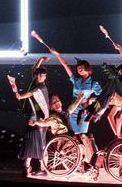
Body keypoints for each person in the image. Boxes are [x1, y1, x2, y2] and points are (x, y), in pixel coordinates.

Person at [42, 36, 101, 172]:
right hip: (73, 111)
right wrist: (57, 54)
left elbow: (100, 96)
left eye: (81, 68)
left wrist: (90, 100)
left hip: (84, 113)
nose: (79, 70)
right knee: (74, 137)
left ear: (87, 69)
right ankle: (81, 163)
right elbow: (65, 65)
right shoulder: (76, 80)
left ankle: (88, 162)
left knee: (84, 137)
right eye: (78, 68)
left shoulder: (93, 83)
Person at [8, 57, 51, 177]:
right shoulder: (34, 82)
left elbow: (31, 93)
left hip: (40, 118)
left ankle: (42, 169)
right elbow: (35, 68)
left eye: (41, 76)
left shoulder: (41, 87)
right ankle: (27, 167)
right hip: (33, 116)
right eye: (38, 75)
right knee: (31, 142)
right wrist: (41, 59)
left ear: (45, 77)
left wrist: (21, 96)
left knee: (41, 144)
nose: (39, 77)